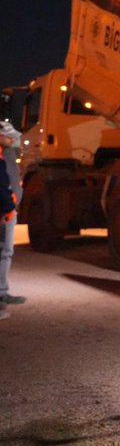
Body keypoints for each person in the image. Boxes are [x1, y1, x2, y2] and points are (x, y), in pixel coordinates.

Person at [0, 118, 24, 316]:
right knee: (3, 252)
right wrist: (8, 207)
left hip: (8, 210)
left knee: (6, 253)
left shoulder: (7, 153)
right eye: (10, 137)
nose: (13, 140)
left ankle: (2, 293)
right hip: (4, 212)